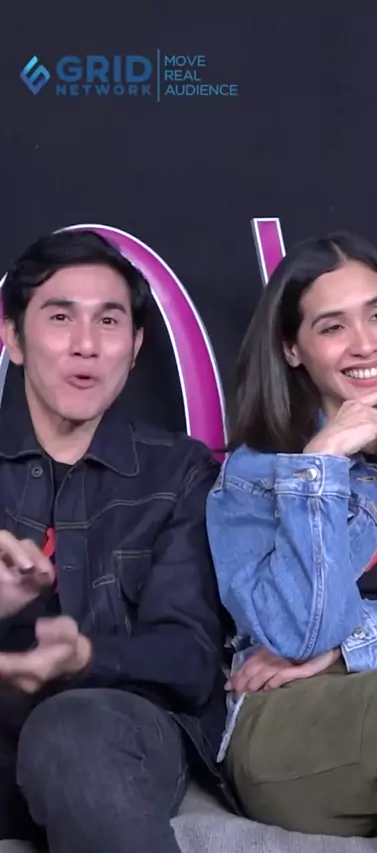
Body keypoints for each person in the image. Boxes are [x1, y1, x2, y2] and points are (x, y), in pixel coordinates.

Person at [206, 231, 377, 853]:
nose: (366, 343)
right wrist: (322, 464)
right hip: (296, 730)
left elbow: (331, 642)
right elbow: (301, 636)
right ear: (292, 349)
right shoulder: (253, 477)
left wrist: (353, 644)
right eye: (332, 327)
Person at [0, 228, 226, 853]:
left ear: (135, 345)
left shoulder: (177, 472)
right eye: (60, 317)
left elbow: (189, 659)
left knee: (71, 726)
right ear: (12, 337)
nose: (86, 344)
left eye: (108, 321)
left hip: (114, 732)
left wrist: (84, 657)